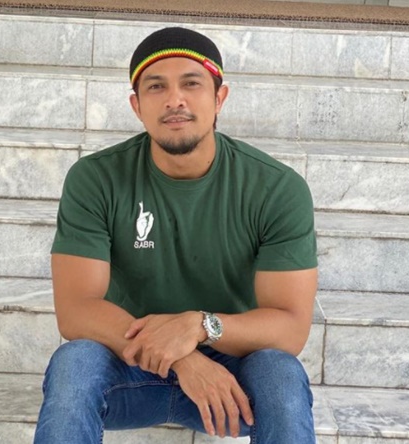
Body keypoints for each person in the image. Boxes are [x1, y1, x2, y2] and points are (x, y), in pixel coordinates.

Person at [34, 27, 318, 444]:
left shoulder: (276, 188)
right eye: (156, 87)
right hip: (129, 365)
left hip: (229, 377)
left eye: (191, 84)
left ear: (219, 98)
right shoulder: (96, 179)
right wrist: (182, 357)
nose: (174, 100)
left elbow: (290, 328)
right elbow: (76, 311)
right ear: (137, 105)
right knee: (74, 363)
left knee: (280, 374)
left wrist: (200, 326)